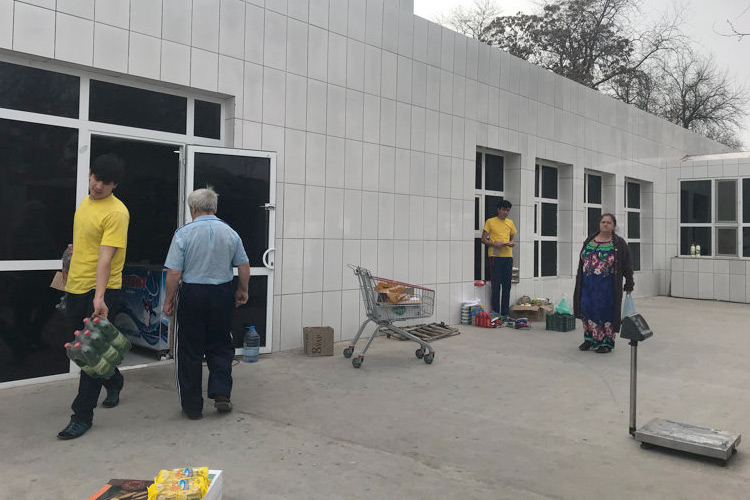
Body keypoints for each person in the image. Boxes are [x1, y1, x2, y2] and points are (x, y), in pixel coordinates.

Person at [58, 154, 129, 439]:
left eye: (106, 183)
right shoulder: (85, 204)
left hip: (102, 290)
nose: (98, 186)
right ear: (89, 174)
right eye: (96, 179)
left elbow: (105, 258)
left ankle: (81, 415)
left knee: (90, 351)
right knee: (83, 350)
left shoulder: (117, 213)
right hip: (76, 285)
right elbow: (82, 245)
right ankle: (114, 380)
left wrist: (100, 297)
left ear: (115, 185)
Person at [163, 187, 250, 420]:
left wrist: (168, 300)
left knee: (189, 349)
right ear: (214, 207)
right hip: (222, 293)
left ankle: (192, 407)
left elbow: (174, 272)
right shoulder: (230, 232)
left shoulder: (183, 233)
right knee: (221, 343)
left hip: (192, 293)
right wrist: (242, 289)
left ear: (192, 208)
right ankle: (221, 392)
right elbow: (243, 265)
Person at [573, 213, 634, 353]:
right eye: (603, 222)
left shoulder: (619, 244)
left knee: (605, 313)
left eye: (609, 223)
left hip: (607, 288)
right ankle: (589, 339)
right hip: (588, 286)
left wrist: (629, 283)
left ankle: (606, 343)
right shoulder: (590, 240)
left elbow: (627, 265)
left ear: (614, 226)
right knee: (587, 310)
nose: (605, 224)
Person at [481, 200, 517, 317]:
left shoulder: (510, 222)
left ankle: (505, 313)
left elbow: (512, 239)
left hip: (508, 256)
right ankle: (496, 313)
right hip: (495, 256)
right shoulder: (490, 221)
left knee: (507, 286)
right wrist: (494, 244)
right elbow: (483, 239)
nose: (505, 213)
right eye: (503, 210)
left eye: (508, 210)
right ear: (498, 210)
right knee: (496, 286)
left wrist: (511, 243)